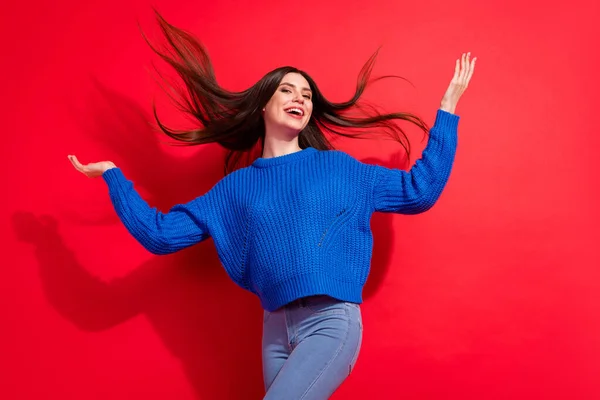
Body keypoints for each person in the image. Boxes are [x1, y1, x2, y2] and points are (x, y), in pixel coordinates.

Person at [68, 12, 476, 400]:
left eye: (306, 94)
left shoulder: (338, 169)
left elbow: (419, 192)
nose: (300, 98)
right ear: (264, 103)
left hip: (330, 322)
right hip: (275, 330)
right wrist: (113, 177)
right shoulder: (236, 189)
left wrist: (447, 112)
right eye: (287, 89)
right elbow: (160, 235)